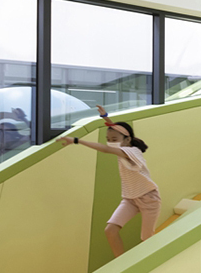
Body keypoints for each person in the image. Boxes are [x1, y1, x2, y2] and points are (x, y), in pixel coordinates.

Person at [58, 106, 160, 257]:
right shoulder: (123, 144)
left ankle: (154, 262)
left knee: (147, 238)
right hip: (130, 198)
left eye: (114, 140)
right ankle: (122, 263)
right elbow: (118, 131)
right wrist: (105, 117)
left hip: (148, 198)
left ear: (127, 140)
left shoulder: (132, 151)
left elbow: (106, 149)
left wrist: (76, 140)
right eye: (108, 140)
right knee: (110, 230)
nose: (111, 142)